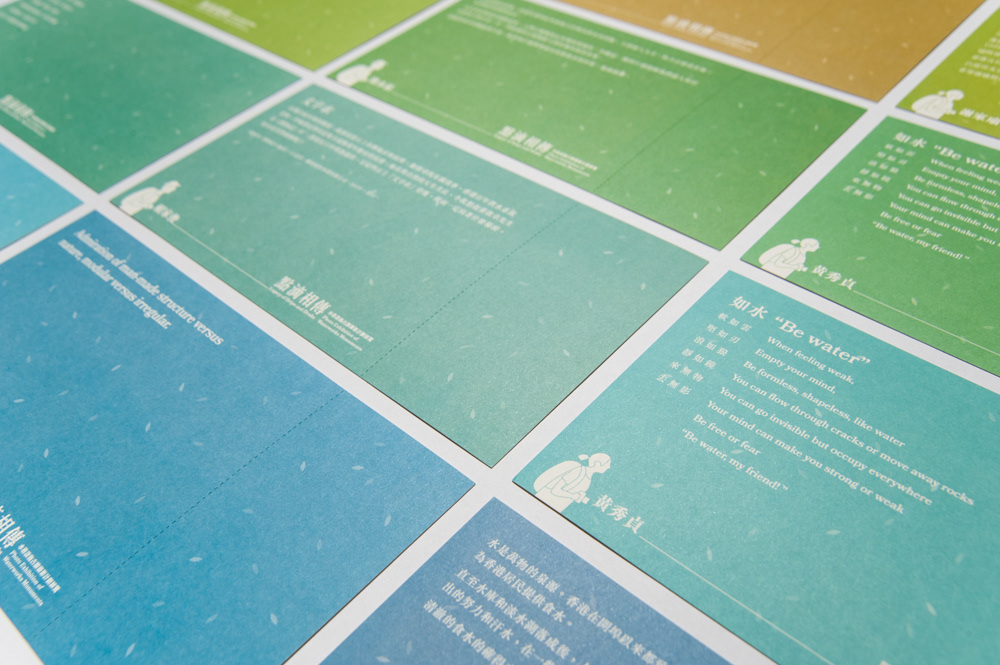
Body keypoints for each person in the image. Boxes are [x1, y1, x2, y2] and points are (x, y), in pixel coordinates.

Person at [533, 453, 611, 513]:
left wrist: (579, 497)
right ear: (597, 463)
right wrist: (573, 496)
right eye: (607, 464)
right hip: (542, 502)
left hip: (554, 508)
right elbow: (555, 490)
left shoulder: (588, 479)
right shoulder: (579, 471)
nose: (609, 467)